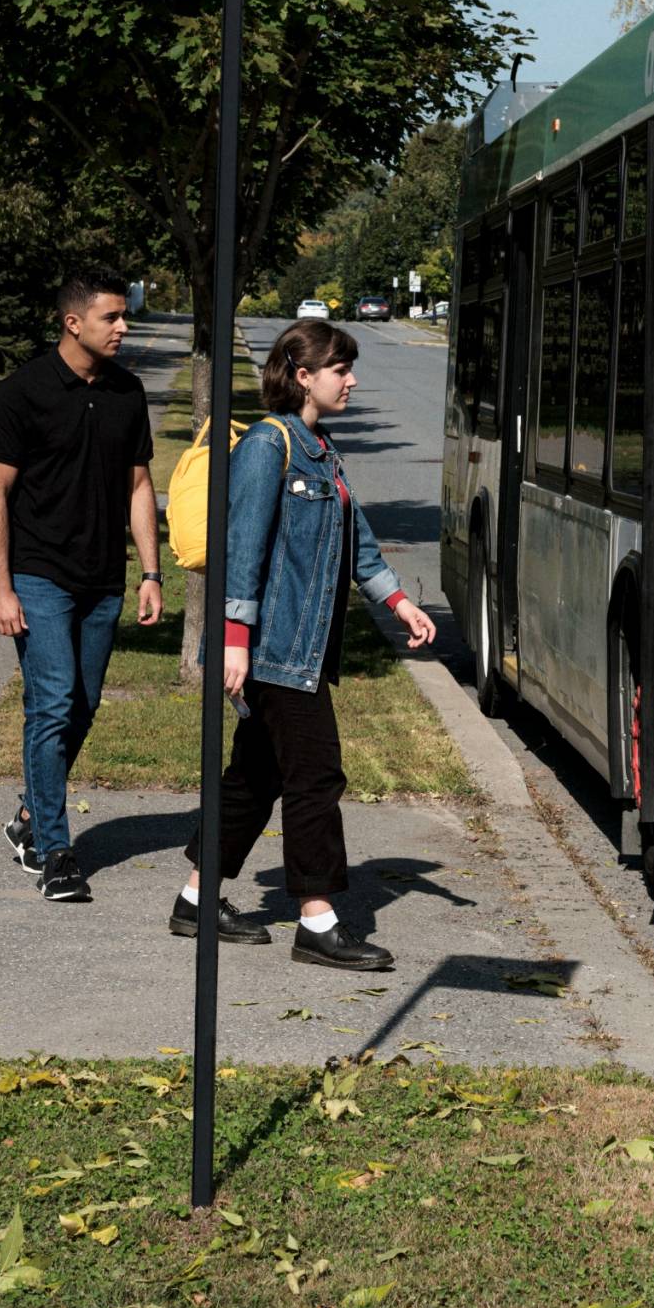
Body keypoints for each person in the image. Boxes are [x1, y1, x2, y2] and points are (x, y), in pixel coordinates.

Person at [173, 319, 437, 968]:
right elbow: (243, 547)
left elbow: (358, 541)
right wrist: (234, 641)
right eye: (340, 369)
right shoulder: (269, 446)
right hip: (271, 649)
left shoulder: (320, 449)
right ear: (301, 375)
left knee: (257, 775)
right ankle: (316, 921)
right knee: (315, 774)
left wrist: (399, 602)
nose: (351, 380)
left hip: (299, 647)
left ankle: (195, 900)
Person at [0, 267, 162, 903]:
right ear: (73, 322)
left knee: (81, 707)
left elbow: (140, 486)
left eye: (122, 316)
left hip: (102, 576)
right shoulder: (23, 392)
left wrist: (150, 572)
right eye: (111, 317)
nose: (123, 326)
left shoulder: (127, 392)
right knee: (52, 703)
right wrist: (1, 587)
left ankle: (30, 812)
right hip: (38, 574)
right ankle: (55, 850)